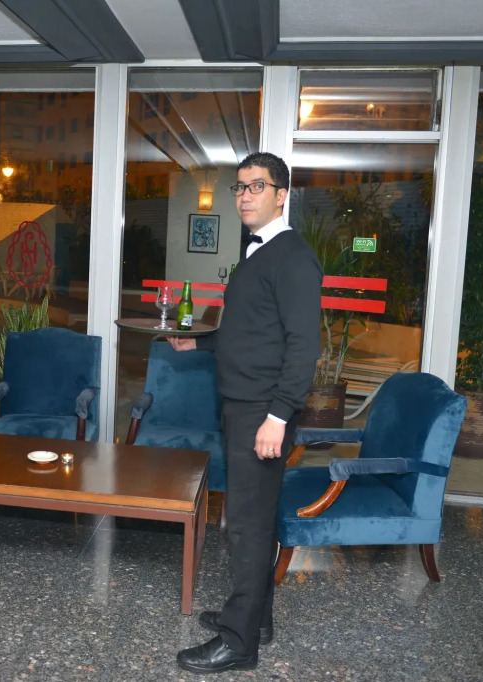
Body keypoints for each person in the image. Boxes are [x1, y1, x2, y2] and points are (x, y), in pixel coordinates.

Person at [171, 152, 322, 674]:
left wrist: (278, 417)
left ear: (282, 195)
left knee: (247, 526)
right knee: (255, 519)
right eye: (239, 187)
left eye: (257, 186)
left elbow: (303, 347)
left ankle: (238, 644)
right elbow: (250, 332)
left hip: (262, 410)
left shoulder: (293, 257)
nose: (245, 196)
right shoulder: (258, 252)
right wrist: (200, 344)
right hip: (244, 405)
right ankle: (256, 621)